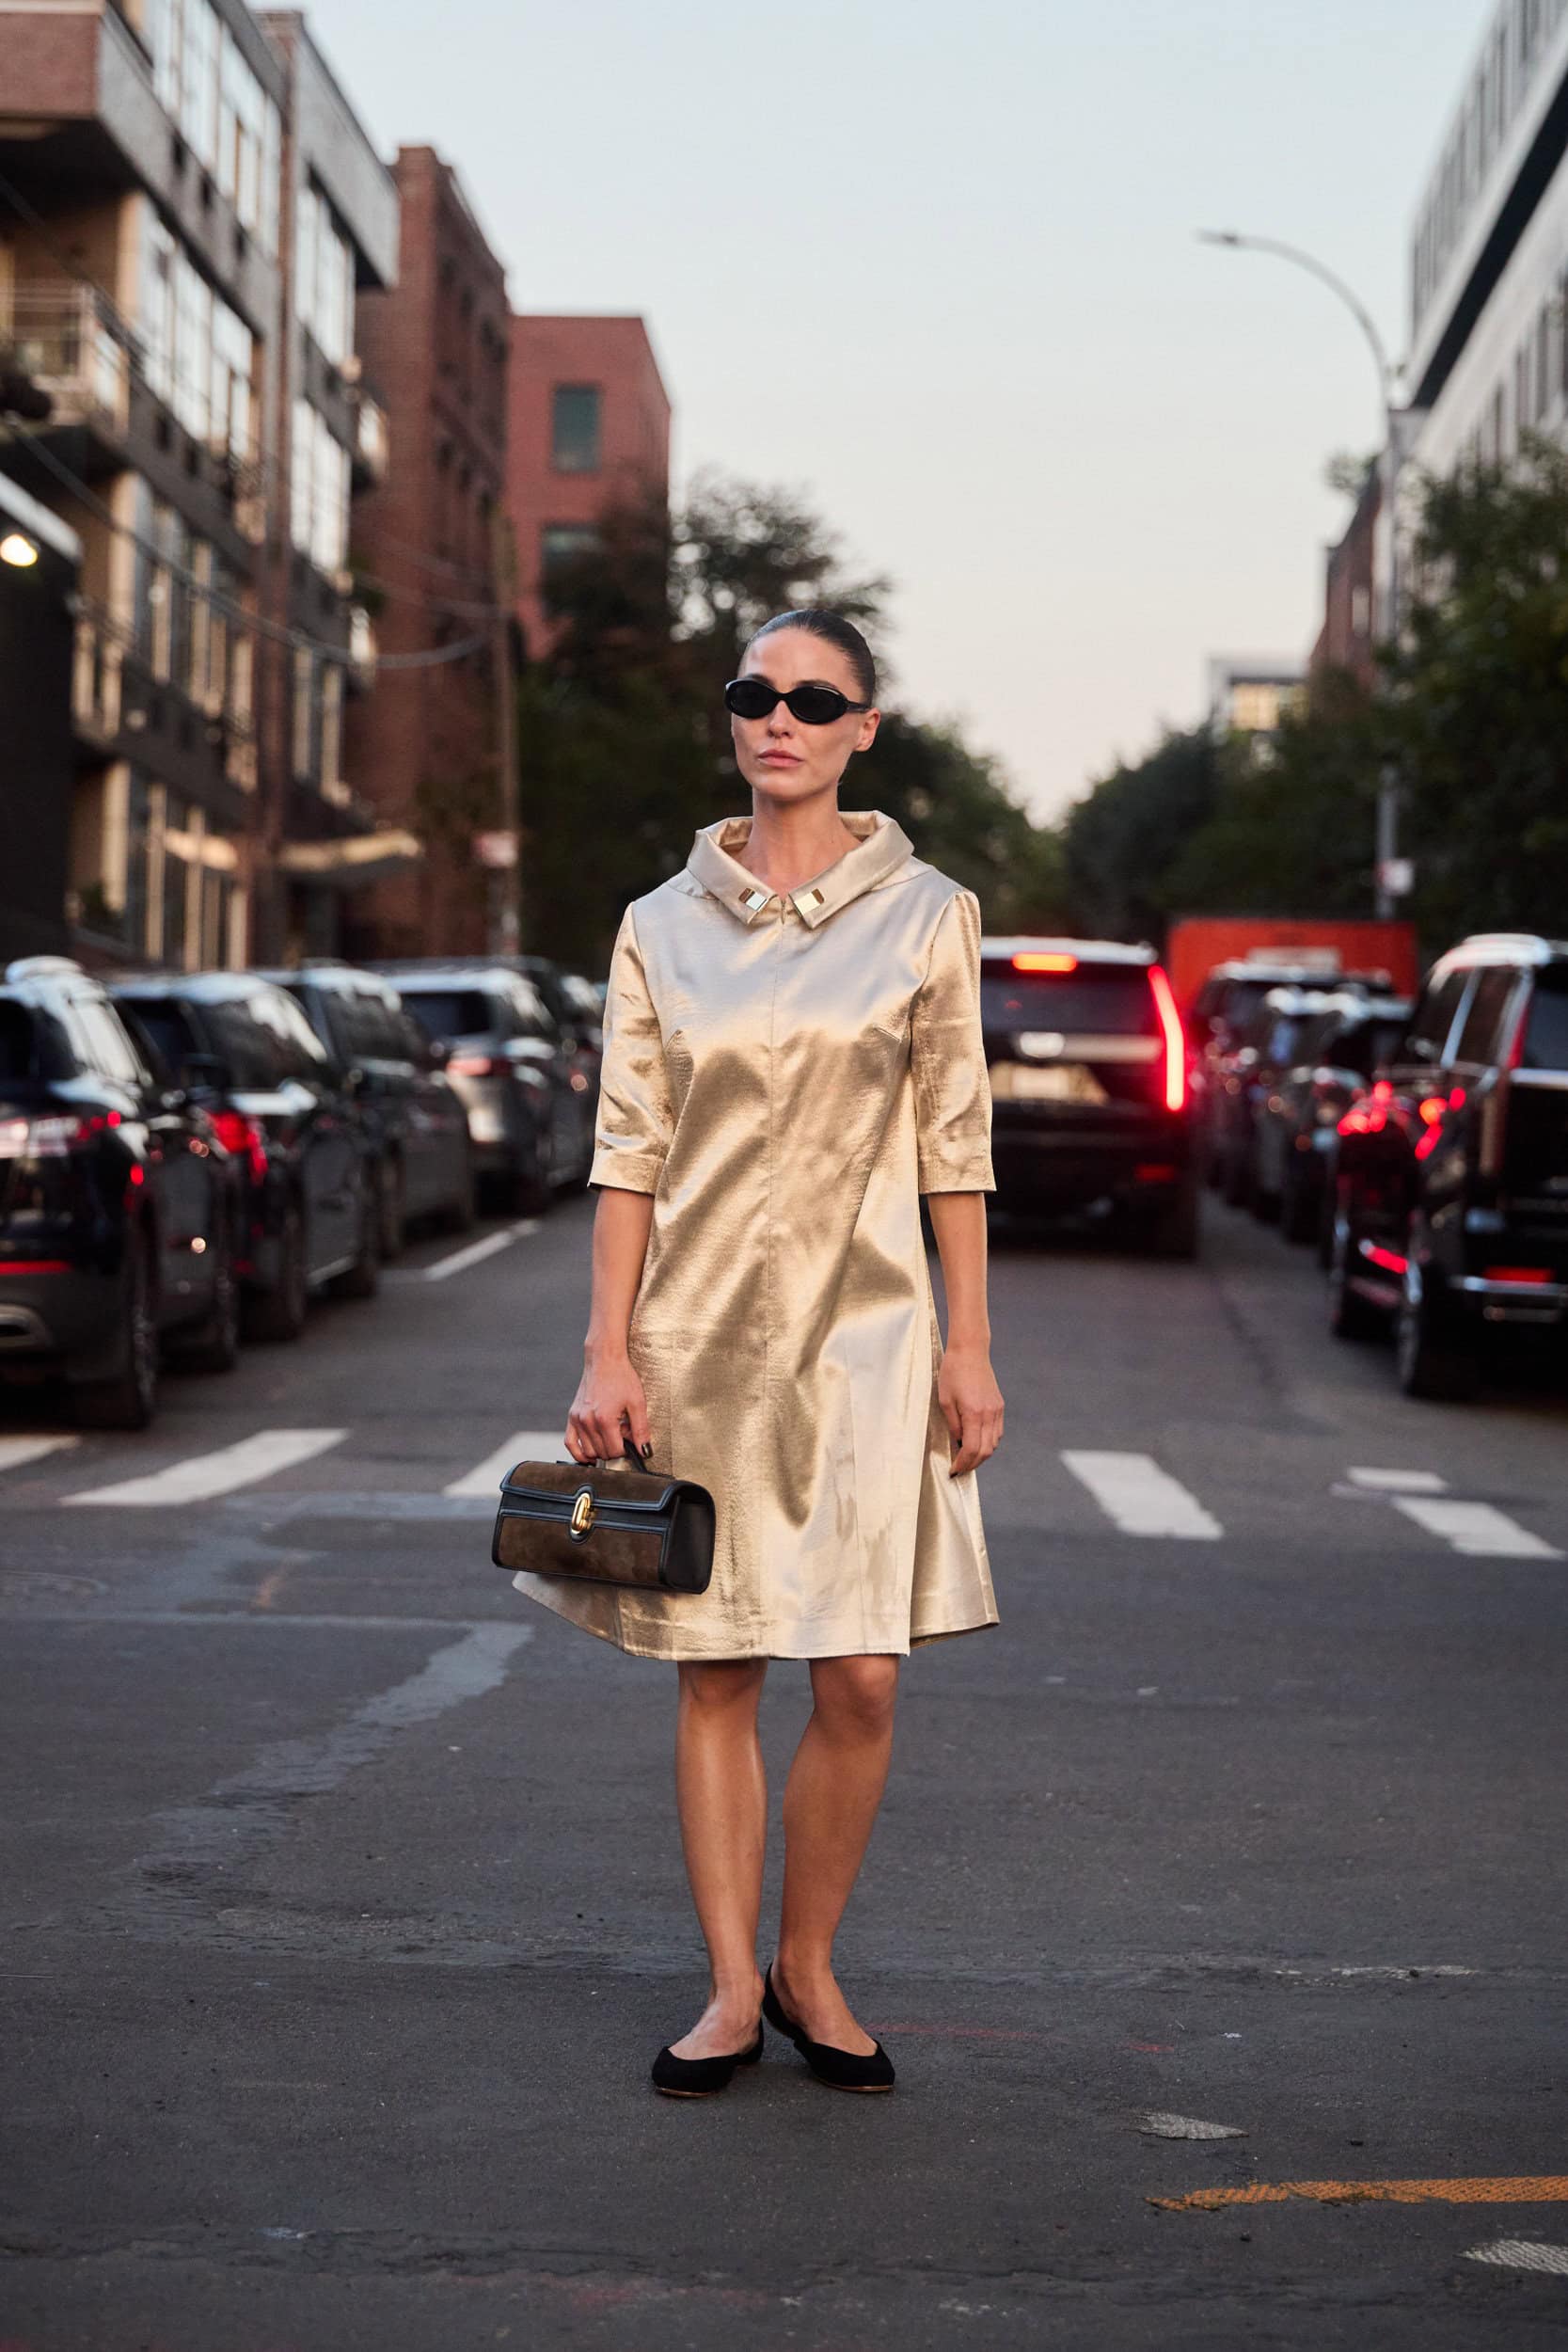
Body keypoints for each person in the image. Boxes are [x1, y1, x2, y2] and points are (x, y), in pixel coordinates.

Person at [512, 608, 1005, 2097]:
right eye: (756, 693)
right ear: (732, 718)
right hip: (701, 1337)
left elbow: (955, 1145)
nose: (780, 718)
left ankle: (810, 1963)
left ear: (865, 730)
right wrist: (606, 1351)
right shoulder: (660, 924)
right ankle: (732, 1989)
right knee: (717, 1667)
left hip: (871, 1342)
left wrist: (970, 1345)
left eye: (815, 699)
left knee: (860, 1679)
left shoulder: (930, 915)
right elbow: (628, 1151)